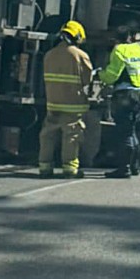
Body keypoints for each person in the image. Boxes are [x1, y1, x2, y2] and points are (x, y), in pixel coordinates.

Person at [38, 20, 94, 178]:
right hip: (72, 105)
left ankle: (44, 168)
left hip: (53, 103)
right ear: (77, 36)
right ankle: (70, 169)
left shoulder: (49, 54)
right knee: (71, 135)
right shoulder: (80, 56)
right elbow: (87, 79)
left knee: (48, 135)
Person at [99, 25, 140, 179]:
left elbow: (112, 75)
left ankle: (124, 168)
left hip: (125, 96)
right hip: (139, 94)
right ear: (130, 36)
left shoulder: (120, 50)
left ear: (116, 38)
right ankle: (134, 166)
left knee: (124, 133)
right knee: (133, 131)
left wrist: (100, 74)